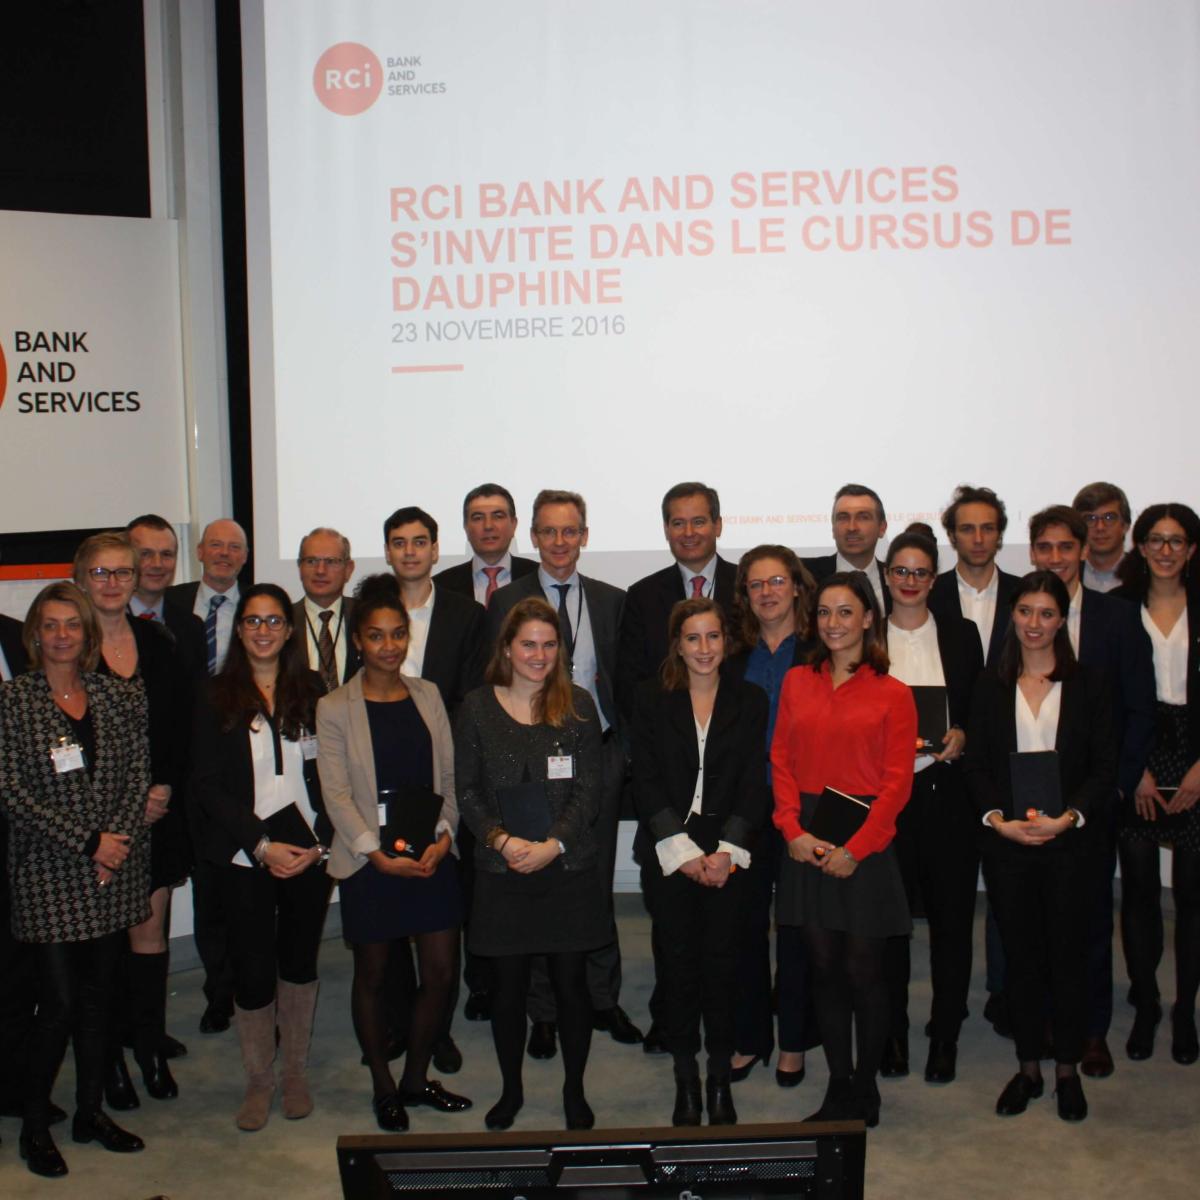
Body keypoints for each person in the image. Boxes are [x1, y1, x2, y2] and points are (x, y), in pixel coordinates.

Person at [0, 582, 151, 1177]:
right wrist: (90, 843)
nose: (62, 635)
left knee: (98, 1000)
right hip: (49, 873)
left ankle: (90, 1113)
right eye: (51, 625)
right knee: (58, 1004)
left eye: (72, 624)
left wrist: (113, 845)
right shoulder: (13, 701)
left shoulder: (116, 696)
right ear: (35, 635)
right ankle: (35, 1126)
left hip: (111, 873)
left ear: (88, 634)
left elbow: (137, 776)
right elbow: (11, 792)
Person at [316, 574, 471, 1131]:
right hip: (370, 862)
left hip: (431, 854)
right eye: (377, 636)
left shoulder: (428, 695)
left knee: (441, 972)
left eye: (398, 634)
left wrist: (446, 835)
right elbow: (335, 794)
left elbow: (449, 778)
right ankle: (384, 1085)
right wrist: (374, 854)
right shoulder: (334, 707)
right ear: (358, 640)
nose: (389, 646)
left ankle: (416, 1078)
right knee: (374, 977)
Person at [487, 490, 636, 1057]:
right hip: (529, 762)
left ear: (584, 536)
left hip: (596, 755)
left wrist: (624, 752)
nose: (558, 542)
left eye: (569, 531)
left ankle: (602, 997)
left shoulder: (610, 600)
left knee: (593, 881)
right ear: (533, 537)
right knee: (540, 886)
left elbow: (622, 682)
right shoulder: (507, 600)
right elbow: (493, 680)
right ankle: (544, 1011)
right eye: (548, 531)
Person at [966, 570, 1117, 1122]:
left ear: (1062, 620)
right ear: (1012, 616)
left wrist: (1069, 818)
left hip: (1071, 846)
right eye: (1025, 611)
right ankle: (1028, 1068)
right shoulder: (990, 685)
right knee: (1021, 960)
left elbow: (1104, 768)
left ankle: (1066, 1072)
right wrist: (997, 821)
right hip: (1009, 846)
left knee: (1068, 959)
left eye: (1046, 613)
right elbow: (977, 767)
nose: (1035, 623)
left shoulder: (1089, 684)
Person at [455, 596, 608, 1131]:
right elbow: (467, 790)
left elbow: (589, 791)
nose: (539, 655)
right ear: (506, 648)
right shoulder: (477, 707)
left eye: (548, 644)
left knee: (571, 987)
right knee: (508, 990)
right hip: (503, 871)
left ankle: (574, 1089)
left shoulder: (579, 705)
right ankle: (511, 1090)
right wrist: (500, 841)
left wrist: (553, 845)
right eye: (528, 645)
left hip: (566, 869)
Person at [771, 570, 916, 1125]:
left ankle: (866, 1086)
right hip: (807, 836)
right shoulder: (796, 682)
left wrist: (856, 848)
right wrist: (792, 831)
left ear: (868, 619)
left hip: (865, 841)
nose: (833, 623)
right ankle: (837, 1085)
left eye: (845, 612)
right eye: (825, 612)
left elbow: (896, 784)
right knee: (824, 969)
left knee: (864, 972)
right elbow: (781, 760)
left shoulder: (894, 693)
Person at [189, 583, 333, 1131]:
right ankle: (259, 1078)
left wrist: (320, 843)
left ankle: (293, 1072)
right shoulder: (214, 694)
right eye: (253, 620)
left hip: (308, 849)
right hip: (244, 852)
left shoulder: (313, 688)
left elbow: (333, 769)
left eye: (274, 621)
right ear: (239, 628)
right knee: (251, 968)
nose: (263, 630)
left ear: (289, 630)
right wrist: (261, 844)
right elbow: (206, 784)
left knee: (299, 962)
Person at [1027, 505, 1155, 1076]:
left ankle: (1092, 1029)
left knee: (1092, 921)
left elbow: (1140, 708)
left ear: (1083, 551)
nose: (1055, 558)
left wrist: (1118, 788)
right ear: (1033, 552)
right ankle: (1046, 1021)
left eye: (1065, 547)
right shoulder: (1022, 612)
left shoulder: (1118, 617)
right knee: (1037, 918)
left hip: (1095, 798)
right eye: (1044, 547)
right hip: (1032, 798)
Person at [633, 597, 768, 1126]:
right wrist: (683, 852)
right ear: (678, 645)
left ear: (726, 642)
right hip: (670, 848)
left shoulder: (750, 699)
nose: (704, 648)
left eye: (713, 636)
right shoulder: (650, 698)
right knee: (678, 966)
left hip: (727, 850)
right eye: (693, 638)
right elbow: (644, 780)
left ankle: (718, 1078)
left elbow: (754, 782)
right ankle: (686, 1076)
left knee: (723, 966)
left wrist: (728, 851)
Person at [618, 481, 739, 1054]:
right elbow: (628, 687)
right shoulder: (642, 596)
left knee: (728, 937)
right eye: (677, 522)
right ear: (666, 529)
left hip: (730, 787)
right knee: (671, 933)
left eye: (699, 520)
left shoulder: (747, 586)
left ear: (718, 524)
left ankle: (728, 1026)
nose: (689, 532)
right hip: (666, 788)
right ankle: (671, 1020)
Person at [73, 533, 193, 1109]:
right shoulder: (69, 646)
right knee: (103, 949)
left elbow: (178, 726)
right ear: (80, 579)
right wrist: (119, 805)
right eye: (101, 573)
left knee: (149, 936)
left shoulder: (156, 642)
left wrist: (163, 786)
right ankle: (110, 1060)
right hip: (95, 827)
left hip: (156, 815)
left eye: (124, 571)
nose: (114, 582)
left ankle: (148, 1046)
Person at [879, 527, 983, 1084]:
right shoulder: (867, 635)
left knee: (951, 924)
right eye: (901, 571)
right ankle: (892, 1033)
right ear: (886, 575)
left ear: (934, 579)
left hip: (948, 797)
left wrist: (963, 732)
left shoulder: (962, 635)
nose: (910, 581)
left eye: (920, 572)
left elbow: (979, 709)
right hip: (887, 801)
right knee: (891, 924)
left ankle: (945, 1035)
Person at [384, 504, 486, 1072]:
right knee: (393, 899)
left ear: (435, 548)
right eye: (399, 542)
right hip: (382, 771)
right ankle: (401, 1019)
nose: (410, 551)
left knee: (444, 902)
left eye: (419, 541)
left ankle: (437, 1027)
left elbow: (470, 695)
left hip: (442, 769)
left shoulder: (464, 614)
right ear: (389, 551)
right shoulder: (371, 609)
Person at [722, 546, 818, 1089]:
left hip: (805, 805)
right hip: (748, 805)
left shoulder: (820, 649)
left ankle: (794, 1042)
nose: (767, 592)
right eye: (756, 585)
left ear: (797, 586)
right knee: (745, 926)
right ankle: (749, 1035)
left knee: (799, 928)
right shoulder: (733, 656)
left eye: (777, 581)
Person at [1114, 503, 1200, 1066]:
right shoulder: (1119, 608)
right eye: (1156, 540)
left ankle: (1184, 1009)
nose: (1166, 550)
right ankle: (1145, 1003)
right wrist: (1134, 769)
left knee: (1191, 895)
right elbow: (1109, 695)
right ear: (1140, 547)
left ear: (1191, 550)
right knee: (1140, 891)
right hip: (1140, 753)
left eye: (1177, 540)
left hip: (1196, 756)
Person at [929, 484, 1017, 668]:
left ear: (999, 535)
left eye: (988, 529)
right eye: (967, 529)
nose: (978, 539)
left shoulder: (1022, 593)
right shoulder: (930, 593)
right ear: (952, 536)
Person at [126, 514, 208, 680]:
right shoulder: (103, 624)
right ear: (126, 558)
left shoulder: (192, 627)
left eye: (166, 554)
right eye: (145, 554)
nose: (157, 564)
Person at [166, 517, 249, 676]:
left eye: (234, 547)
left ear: (245, 556)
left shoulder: (256, 603)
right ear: (200, 552)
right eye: (216, 545)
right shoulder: (169, 600)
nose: (224, 553)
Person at [434, 483, 539, 607]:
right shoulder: (440, 586)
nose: (488, 526)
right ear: (466, 527)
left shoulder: (540, 578)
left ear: (513, 525)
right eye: (478, 518)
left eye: (498, 516)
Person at [803, 485, 891, 615]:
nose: (852, 527)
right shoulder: (805, 576)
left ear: (882, 528)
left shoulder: (898, 579)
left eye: (863, 517)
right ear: (833, 528)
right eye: (843, 518)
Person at [293, 526, 360, 691]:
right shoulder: (284, 620)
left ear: (349, 569)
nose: (320, 570)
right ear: (300, 567)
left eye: (331, 561)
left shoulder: (365, 616)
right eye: (311, 561)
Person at [1074, 481, 1133, 593]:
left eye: (1109, 518)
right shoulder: (1067, 573)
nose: (1100, 527)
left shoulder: (1145, 573)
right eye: (1090, 519)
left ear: (1125, 525)